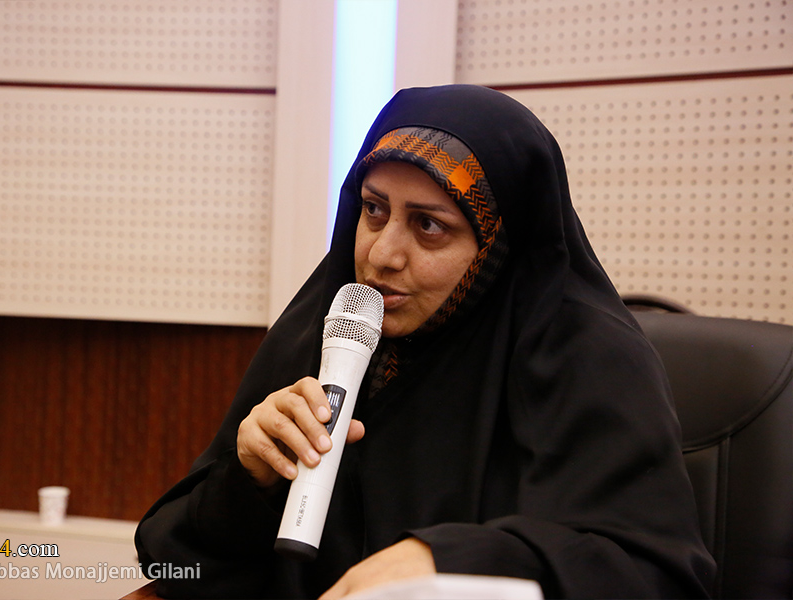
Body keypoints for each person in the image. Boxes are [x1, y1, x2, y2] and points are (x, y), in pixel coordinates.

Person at [134, 84, 715, 599]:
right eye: (373, 210)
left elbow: (652, 575)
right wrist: (248, 482)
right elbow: (174, 563)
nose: (382, 254)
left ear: (497, 243)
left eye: (429, 225)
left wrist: (451, 561)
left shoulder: (589, 356)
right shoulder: (329, 328)